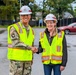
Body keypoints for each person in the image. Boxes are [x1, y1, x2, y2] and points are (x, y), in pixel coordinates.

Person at [7, 5, 37, 75]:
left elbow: (31, 45)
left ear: (30, 16)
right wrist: (30, 48)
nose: (25, 17)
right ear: (20, 16)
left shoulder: (32, 30)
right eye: (23, 15)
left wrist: (31, 58)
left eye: (27, 15)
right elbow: (16, 43)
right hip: (16, 62)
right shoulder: (14, 28)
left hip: (27, 62)